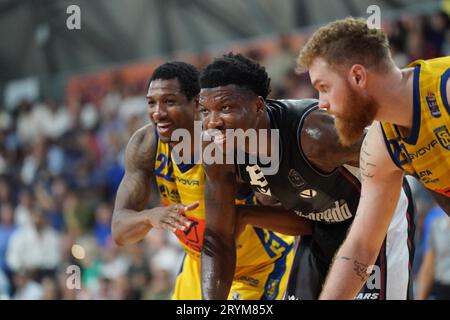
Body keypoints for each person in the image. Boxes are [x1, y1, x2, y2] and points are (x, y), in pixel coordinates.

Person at [199, 53, 415, 300]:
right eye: (205, 111)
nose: (212, 122)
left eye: (225, 108)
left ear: (258, 106)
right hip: (319, 226)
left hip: (375, 220)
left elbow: (397, 154)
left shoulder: (316, 136)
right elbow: (217, 236)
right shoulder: (217, 152)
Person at [111, 61, 309, 300]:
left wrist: (244, 214)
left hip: (257, 268)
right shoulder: (145, 144)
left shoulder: (226, 146)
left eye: (169, 102)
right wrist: (149, 216)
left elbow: (299, 220)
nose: (157, 112)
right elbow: (120, 232)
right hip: (200, 264)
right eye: (151, 102)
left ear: (197, 104)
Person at [297, 17, 450, 299]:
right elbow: (360, 249)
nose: (322, 103)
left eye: (324, 87)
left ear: (357, 77)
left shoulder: (444, 90)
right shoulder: (380, 146)